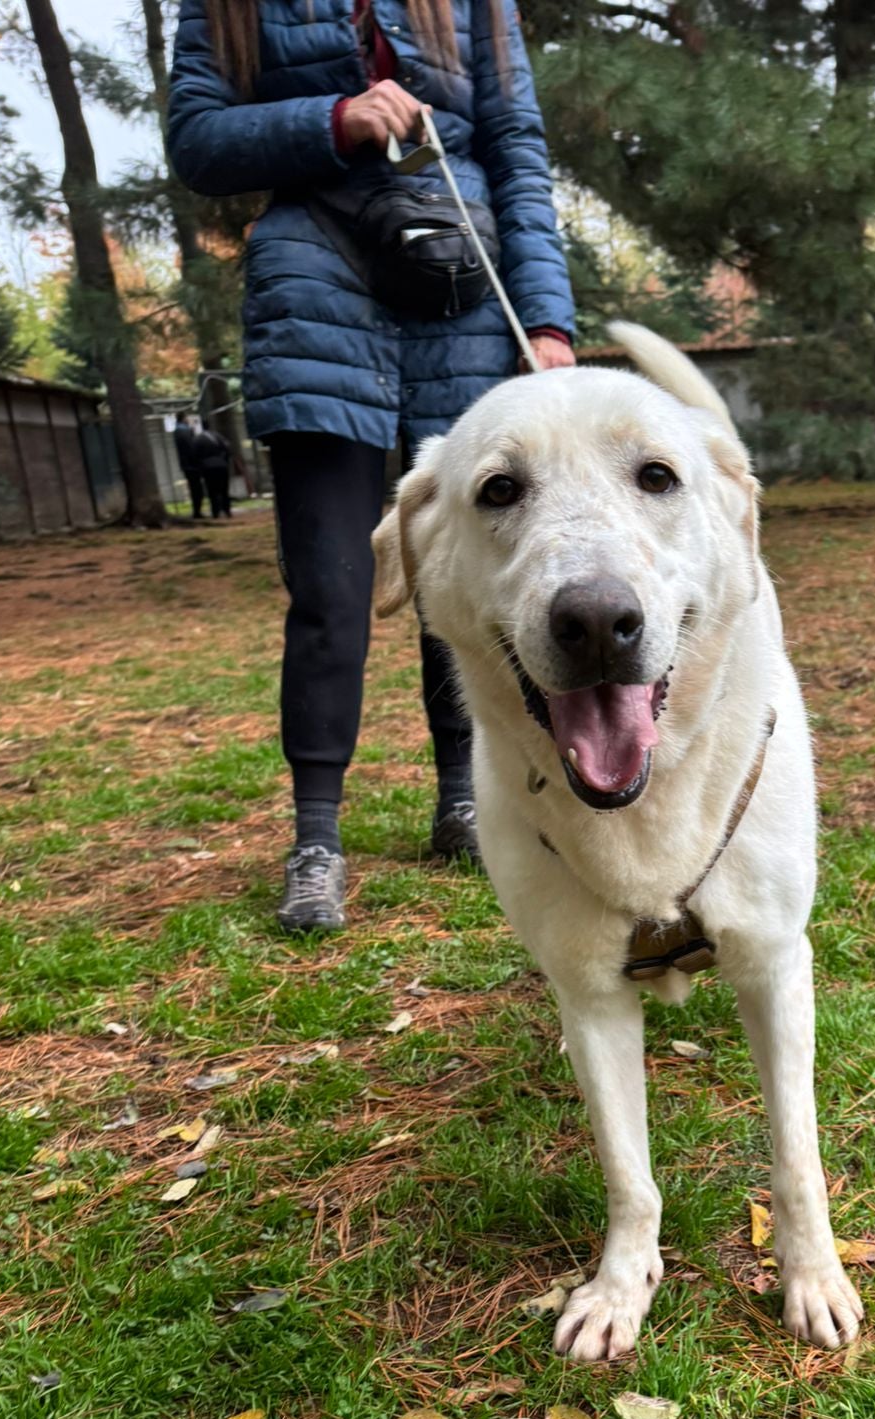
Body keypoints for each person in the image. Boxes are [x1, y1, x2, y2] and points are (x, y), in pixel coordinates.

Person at [168, 0, 575, 933]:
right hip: (312, 299)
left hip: (463, 296)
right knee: (330, 587)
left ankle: (465, 801)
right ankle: (317, 839)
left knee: (462, 573)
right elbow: (196, 141)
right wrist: (331, 121)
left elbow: (517, 148)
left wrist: (546, 321)